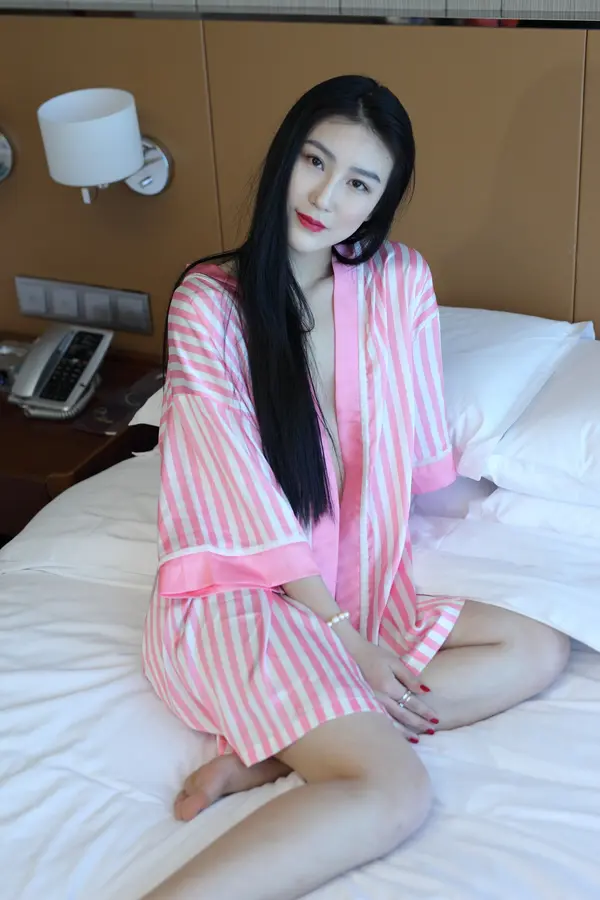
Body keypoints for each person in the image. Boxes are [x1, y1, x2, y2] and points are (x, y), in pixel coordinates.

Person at [142, 75, 569, 900]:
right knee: (393, 791)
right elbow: (235, 495)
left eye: (359, 184)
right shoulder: (209, 304)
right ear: (285, 158)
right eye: (315, 161)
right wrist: (344, 637)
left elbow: (417, 448)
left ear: (381, 203)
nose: (325, 197)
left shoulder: (400, 281)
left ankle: (270, 754)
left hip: (360, 575)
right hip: (245, 593)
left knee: (537, 648)